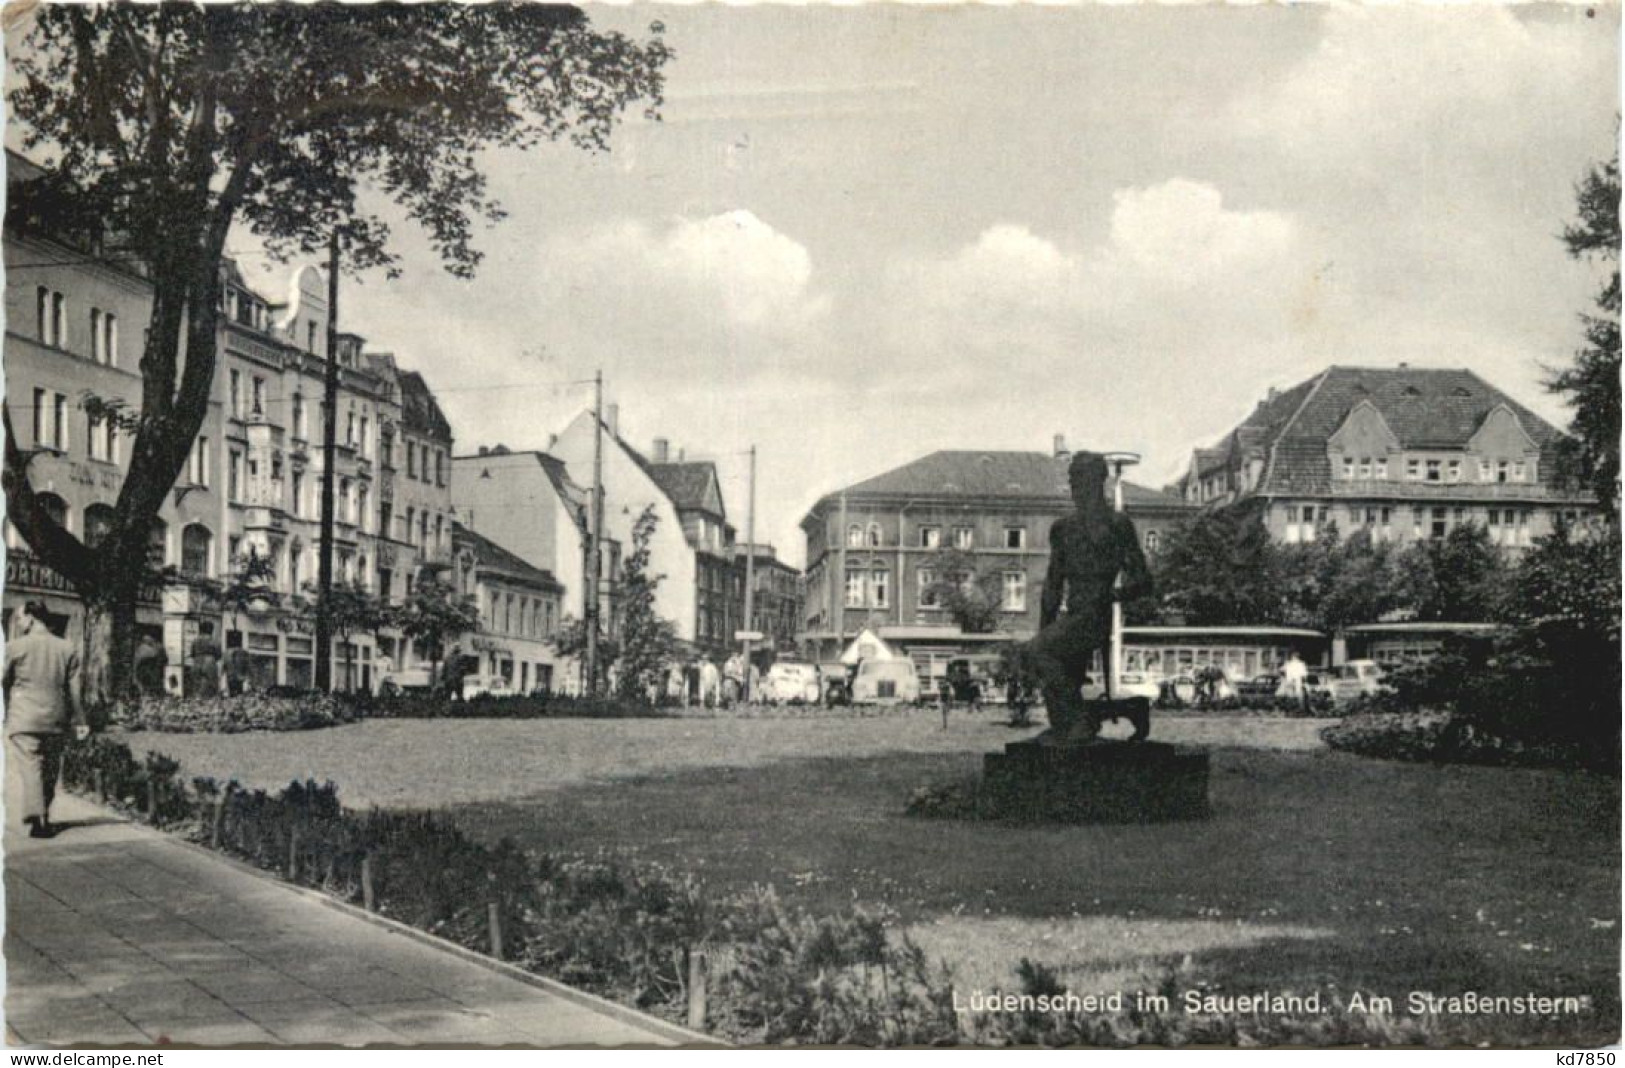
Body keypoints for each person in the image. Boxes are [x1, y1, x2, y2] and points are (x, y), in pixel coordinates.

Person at [1028, 452, 1153, 743]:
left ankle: (1081, 722)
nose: (1075, 488)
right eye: (1072, 481)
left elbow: (1144, 580)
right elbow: (1053, 582)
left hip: (1096, 616)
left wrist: (1114, 594)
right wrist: (1045, 627)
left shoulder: (1117, 526)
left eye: (1080, 480)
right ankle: (1117, 712)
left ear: (1099, 482)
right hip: (1073, 615)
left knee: (1037, 653)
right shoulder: (1063, 529)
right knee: (1053, 674)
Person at [4, 602, 89, 839]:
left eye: (20, 619)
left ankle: (37, 818)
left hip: (24, 718)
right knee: (51, 768)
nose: (19, 624)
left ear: (31, 618)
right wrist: (80, 719)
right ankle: (44, 815)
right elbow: (74, 690)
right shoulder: (66, 648)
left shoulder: (14, 647)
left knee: (32, 766)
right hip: (56, 718)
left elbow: (2, 680)